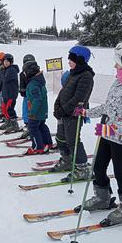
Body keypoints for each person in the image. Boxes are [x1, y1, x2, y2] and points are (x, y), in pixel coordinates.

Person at [75, 37, 122, 226]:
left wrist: (110, 127)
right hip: (107, 133)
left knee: (120, 172)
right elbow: (109, 107)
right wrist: (87, 112)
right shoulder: (120, 79)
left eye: (118, 61)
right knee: (98, 167)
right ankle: (103, 198)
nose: (114, 65)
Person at [51, 45, 94, 180]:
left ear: (80, 60)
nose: (68, 62)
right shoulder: (72, 73)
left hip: (73, 115)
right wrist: (57, 105)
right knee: (60, 138)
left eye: (71, 59)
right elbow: (63, 92)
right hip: (64, 114)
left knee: (72, 141)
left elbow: (78, 99)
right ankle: (67, 160)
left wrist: (63, 110)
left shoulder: (86, 76)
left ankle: (82, 168)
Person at [23, 60, 53, 155]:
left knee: (33, 128)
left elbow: (37, 99)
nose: (24, 74)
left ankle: (37, 147)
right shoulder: (39, 80)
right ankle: (47, 143)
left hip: (36, 112)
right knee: (41, 126)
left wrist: (32, 112)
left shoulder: (33, 84)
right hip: (42, 111)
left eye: (25, 71)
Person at [0, 53, 20, 133]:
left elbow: (5, 79)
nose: (6, 63)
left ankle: (15, 125)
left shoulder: (12, 70)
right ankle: (8, 122)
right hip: (6, 93)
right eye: (4, 61)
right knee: (4, 109)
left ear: (11, 62)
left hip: (11, 94)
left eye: (7, 61)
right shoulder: (6, 69)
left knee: (9, 109)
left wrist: (1, 72)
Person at [19, 54, 36, 138]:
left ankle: (33, 128)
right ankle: (28, 125)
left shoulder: (36, 73)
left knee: (33, 112)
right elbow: (22, 85)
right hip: (27, 97)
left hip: (34, 97)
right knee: (25, 111)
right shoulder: (22, 74)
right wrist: (23, 91)